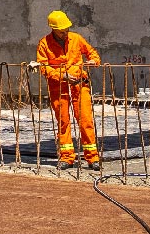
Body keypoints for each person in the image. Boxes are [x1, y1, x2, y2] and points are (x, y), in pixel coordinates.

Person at [35, 10, 101, 170]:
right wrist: (62, 76)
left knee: (85, 120)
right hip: (58, 87)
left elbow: (91, 52)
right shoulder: (44, 44)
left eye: (67, 29)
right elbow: (43, 67)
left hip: (79, 84)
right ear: (53, 29)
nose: (65, 33)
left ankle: (93, 158)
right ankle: (67, 157)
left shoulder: (76, 39)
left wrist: (94, 60)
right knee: (63, 122)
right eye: (62, 30)